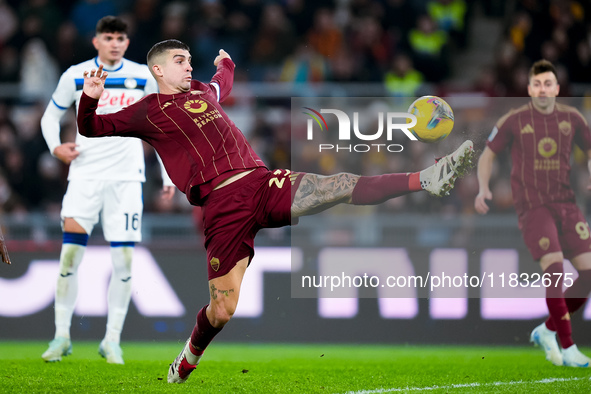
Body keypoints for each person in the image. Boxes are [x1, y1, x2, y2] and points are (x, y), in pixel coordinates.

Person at [77, 39, 474, 383]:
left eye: (189, 60)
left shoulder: (201, 93)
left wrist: (225, 65)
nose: (188, 66)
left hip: (262, 182)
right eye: (180, 61)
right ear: (158, 69)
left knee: (338, 186)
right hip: (223, 206)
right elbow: (91, 128)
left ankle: (426, 178)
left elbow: (221, 84)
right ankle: (187, 359)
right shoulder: (148, 111)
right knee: (222, 310)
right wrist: (90, 98)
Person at [40, 16, 175, 365]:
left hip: (127, 178)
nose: (114, 43)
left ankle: (111, 340)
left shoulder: (144, 76)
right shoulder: (75, 75)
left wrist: (168, 173)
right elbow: (49, 117)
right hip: (84, 175)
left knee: (124, 260)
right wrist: (56, 147)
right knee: (70, 257)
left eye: (120, 38)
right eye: (108, 37)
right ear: (96, 41)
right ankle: (61, 336)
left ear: (127, 44)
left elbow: (161, 127)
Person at [475, 59, 591, 368]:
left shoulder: (573, 119)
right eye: (537, 84)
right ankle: (567, 346)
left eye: (548, 84)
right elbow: (488, 155)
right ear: (529, 89)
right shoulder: (514, 120)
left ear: (556, 88)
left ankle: (548, 330)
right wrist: (483, 188)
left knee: (589, 273)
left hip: (566, 203)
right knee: (554, 269)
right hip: (533, 206)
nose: (542, 90)